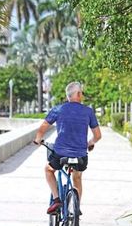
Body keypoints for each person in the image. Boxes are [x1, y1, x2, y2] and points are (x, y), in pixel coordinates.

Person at [34, 81, 102, 214]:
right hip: (80, 155)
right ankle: (75, 208)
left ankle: (57, 199)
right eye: (81, 92)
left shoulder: (59, 109)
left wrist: (38, 139)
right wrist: (90, 143)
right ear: (78, 94)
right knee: (77, 177)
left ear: (68, 96)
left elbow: (43, 127)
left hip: (60, 154)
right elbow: (98, 135)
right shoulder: (88, 111)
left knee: (48, 170)